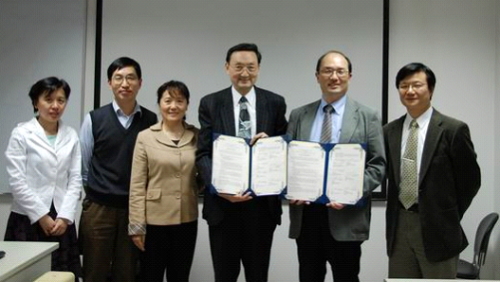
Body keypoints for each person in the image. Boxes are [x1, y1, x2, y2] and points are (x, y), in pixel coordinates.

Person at [287, 50, 386, 282]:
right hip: (308, 217)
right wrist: (290, 185)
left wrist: (351, 192)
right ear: (317, 76)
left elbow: (378, 165)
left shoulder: (367, 116)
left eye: (340, 71)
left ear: (349, 76)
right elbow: (287, 160)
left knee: (347, 277)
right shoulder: (299, 115)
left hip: (347, 216)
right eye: (328, 71)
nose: (334, 76)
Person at [196, 43, 287, 282]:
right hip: (223, 208)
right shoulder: (211, 103)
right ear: (227, 68)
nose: (244, 73)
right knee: (224, 275)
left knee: (258, 275)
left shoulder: (275, 103)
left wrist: (273, 143)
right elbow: (202, 154)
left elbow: (285, 151)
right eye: (238, 67)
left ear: (258, 69)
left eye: (251, 67)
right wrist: (219, 188)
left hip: (261, 208)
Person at [384, 62, 481, 278]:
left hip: (440, 228)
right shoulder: (389, 131)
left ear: (431, 89)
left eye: (416, 85)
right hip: (399, 225)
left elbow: (471, 181)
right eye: (403, 85)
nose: (409, 91)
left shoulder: (453, 129)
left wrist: (447, 213)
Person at [79, 57, 158, 282]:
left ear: (140, 83)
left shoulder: (151, 121)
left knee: (128, 272)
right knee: (95, 271)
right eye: (119, 78)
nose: (125, 83)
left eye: (131, 78)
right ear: (109, 83)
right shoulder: (94, 119)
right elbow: (84, 167)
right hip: (98, 210)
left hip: (134, 209)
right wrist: (99, 191)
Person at [4, 77, 83, 280]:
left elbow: (75, 179)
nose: (55, 105)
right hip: (28, 219)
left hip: (61, 220)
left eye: (61, 100)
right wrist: (41, 216)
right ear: (35, 102)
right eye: (49, 99)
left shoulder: (71, 135)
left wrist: (65, 217)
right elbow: (17, 181)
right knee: (26, 276)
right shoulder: (21, 133)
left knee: (61, 275)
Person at [128, 80, 200, 282]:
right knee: (151, 275)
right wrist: (136, 226)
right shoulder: (145, 137)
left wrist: (192, 188)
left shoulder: (196, 135)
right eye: (168, 100)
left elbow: (204, 173)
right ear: (159, 104)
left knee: (180, 276)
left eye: (179, 101)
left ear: (187, 105)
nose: (173, 106)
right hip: (154, 221)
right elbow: (137, 185)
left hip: (186, 219)